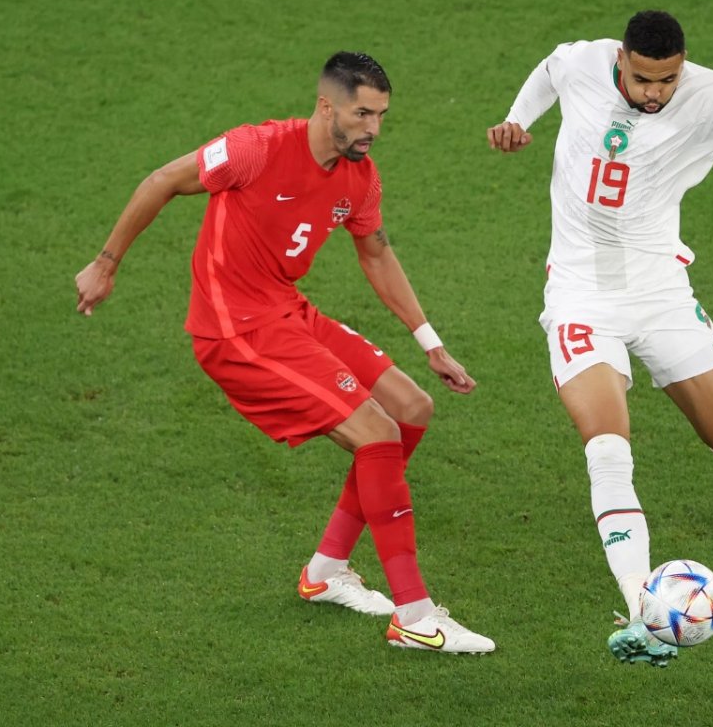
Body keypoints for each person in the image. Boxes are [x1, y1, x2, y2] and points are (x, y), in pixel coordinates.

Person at [75, 51, 494, 654]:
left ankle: (325, 572)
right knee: (377, 433)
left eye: (381, 115)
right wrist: (106, 263)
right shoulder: (255, 149)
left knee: (411, 409)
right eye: (362, 114)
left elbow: (377, 254)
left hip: (286, 311)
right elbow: (163, 180)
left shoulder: (360, 177)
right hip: (234, 332)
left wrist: (431, 343)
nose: (374, 129)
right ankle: (415, 616)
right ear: (326, 107)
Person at [487, 11, 713, 667]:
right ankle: (641, 607)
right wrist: (518, 119)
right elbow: (549, 70)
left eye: (668, 79)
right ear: (620, 61)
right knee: (607, 447)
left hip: (660, 294)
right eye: (643, 80)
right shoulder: (584, 59)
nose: (656, 92)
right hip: (579, 297)